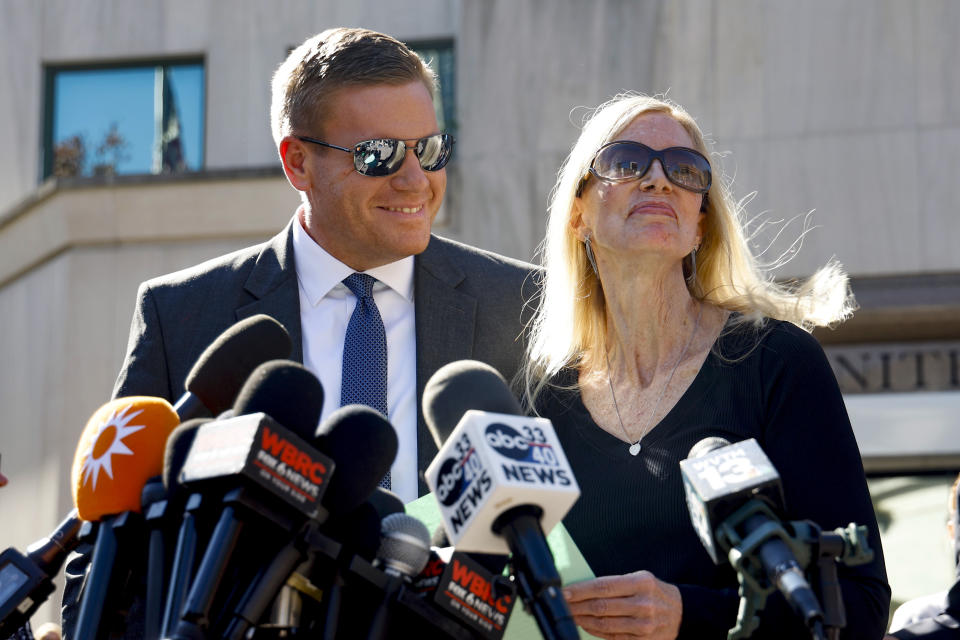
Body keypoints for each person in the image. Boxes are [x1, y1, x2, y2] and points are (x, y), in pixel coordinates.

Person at [61, 27, 535, 637]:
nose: (417, 180)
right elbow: (104, 554)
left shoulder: (522, 304)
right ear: (297, 162)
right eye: (380, 155)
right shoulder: (181, 315)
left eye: (431, 148)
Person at [519, 93, 890, 639]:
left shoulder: (777, 363)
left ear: (700, 226)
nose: (658, 180)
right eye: (626, 162)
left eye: (685, 171)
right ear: (578, 214)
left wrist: (688, 617)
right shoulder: (542, 399)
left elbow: (859, 603)